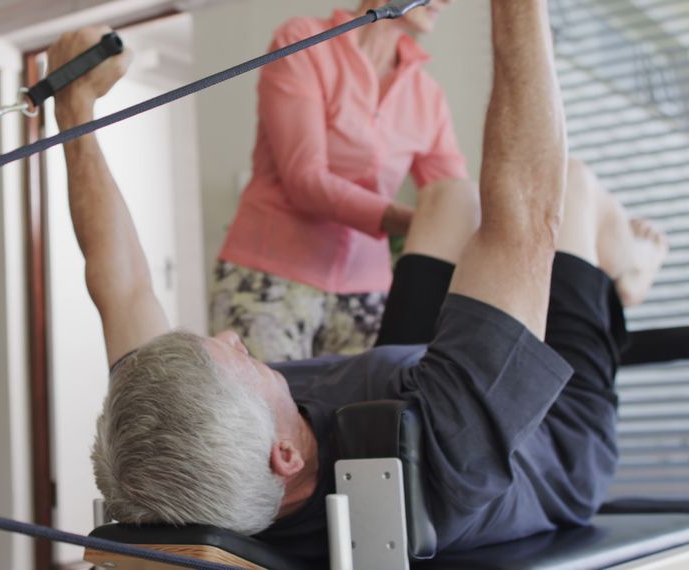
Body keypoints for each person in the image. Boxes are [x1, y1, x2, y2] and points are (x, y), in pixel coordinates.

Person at [46, 0, 669, 566]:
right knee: (575, 183)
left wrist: (73, 107)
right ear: (284, 457)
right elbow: (528, 212)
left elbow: (119, 280)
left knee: (450, 200)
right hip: (556, 440)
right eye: (237, 359)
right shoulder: (445, 455)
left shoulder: (190, 453)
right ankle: (628, 278)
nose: (235, 336)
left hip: (390, 380)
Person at [210, 0, 470, 361]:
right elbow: (306, 179)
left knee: (352, 417)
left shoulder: (428, 96)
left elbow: (454, 194)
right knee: (260, 416)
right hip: (268, 278)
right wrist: (419, 224)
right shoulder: (303, 40)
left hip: (368, 294)